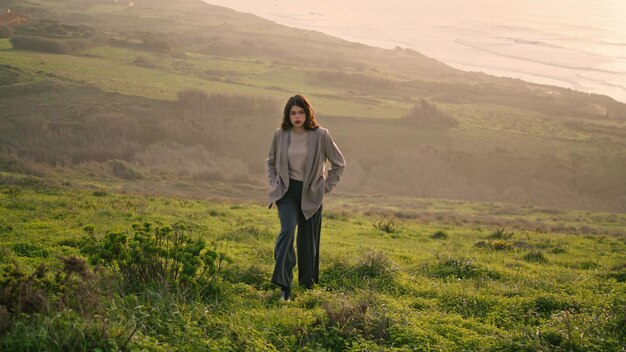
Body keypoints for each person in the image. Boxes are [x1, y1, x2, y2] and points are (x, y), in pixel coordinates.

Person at [266, 94, 346, 301]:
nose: (297, 116)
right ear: (287, 115)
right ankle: (285, 285)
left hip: (311, 193)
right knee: (287, 231)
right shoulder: (280, 135)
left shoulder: (321, 135)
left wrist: (324, 188)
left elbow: (339, 163)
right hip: (286, 192)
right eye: (293, 113)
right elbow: (271, 163)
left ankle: (308, 286)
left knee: (307, 242)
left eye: (301, 112)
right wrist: (274, 183)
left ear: (307, 113)